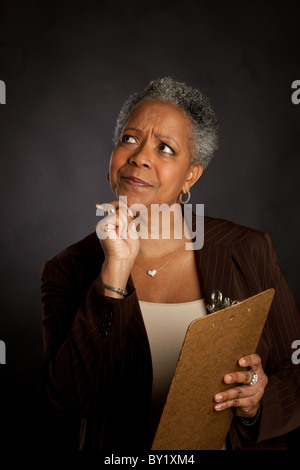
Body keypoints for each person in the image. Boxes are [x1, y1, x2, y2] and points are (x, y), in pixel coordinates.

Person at [40, 77, 300, 450]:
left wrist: (255, 402)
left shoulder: (247, 249)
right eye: (129, 139)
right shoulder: (68, 269)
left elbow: (295, 369)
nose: (139, 157)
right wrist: (114, 274)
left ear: (190, 175)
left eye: (165, 148)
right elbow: (71, 397)